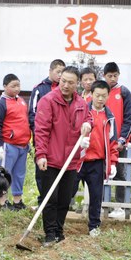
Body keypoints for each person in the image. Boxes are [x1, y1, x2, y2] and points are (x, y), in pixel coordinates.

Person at [34, 66, 93, 246]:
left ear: (78, 84)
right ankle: (50, 234)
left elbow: (89, 118)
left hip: (71, 160)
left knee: (65, 199)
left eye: (70, 82)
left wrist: (88, 124)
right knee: (50, 198)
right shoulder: (48, 101)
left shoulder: (81, 104)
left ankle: (59, 231)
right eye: (63, 81)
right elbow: (41, 130)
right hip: (51, 159)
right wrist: (41, 154)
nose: (65, 85)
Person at [77, 80, 118, 237]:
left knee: (96, 195)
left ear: (108, 96)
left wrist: (112, 162)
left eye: (104, 96)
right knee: (68, 191)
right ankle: (58, 223)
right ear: (91, 94)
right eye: (97, 95)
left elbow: (112, 141)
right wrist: (80, 142)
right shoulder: (82, 111)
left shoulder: (109, 117)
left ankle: (94, 225)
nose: (100, 99)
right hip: (79, 161)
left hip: (97, 162)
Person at [29, 59, 66, 202]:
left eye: (62, 72)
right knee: (42, 169)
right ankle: (42, 200)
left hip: (59, 139)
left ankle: (57, 200)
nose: (60, 75)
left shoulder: (65, 90)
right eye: (58, 72)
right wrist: (39, 134)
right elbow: (32, 114)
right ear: (50, 71)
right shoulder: (40, 89)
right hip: (42, 136)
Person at [0, 73, 31, 211]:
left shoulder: (21, 100)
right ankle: (2, 202)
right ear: (5, 86)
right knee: (4, 174)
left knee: (19, 174)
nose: (16, 88)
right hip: (8, 144)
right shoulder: (2, 102)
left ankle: (17, 201)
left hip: (22, 144)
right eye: (13, 86)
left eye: (18, 85)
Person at [103, 62, 131, 221]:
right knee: (99, 173)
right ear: (104, 76)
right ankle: (100, 204)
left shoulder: (124, 92)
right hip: (101, 141)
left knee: (119, 174)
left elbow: (129, 118)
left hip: (118, 142)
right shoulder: (100, 91)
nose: (113, 78)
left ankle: (119, 206)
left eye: (115, 75)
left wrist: (122, 139)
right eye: (110, 76)